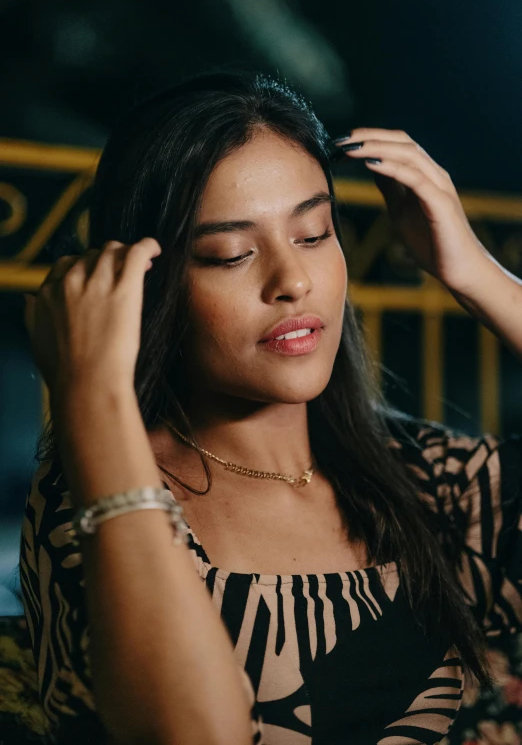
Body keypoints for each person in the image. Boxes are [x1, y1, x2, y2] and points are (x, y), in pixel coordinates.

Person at [19, 70, 522, 745]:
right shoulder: (102, 498)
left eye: (314, 234)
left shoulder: (436, 478)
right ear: (152, 285)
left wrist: (474, 271)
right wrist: (94, 397)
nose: (293, 281)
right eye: (230, 254)